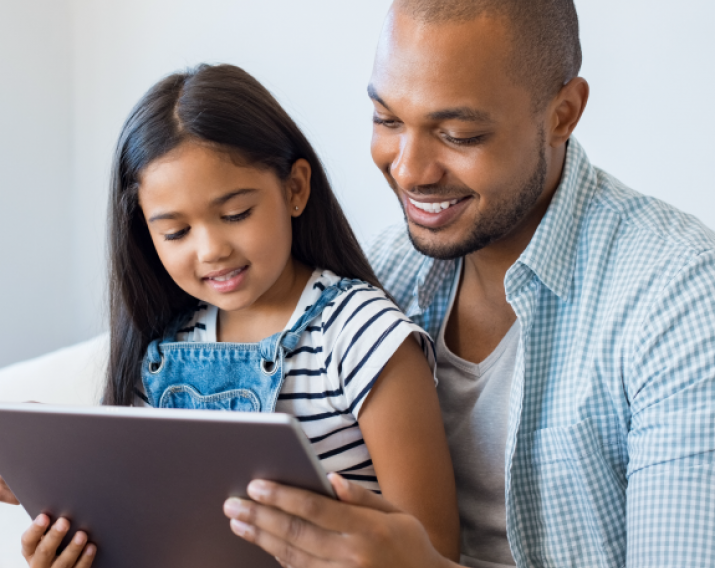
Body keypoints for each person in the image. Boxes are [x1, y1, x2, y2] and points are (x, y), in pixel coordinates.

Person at [221, 1, 715, 567]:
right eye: (387, 120)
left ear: (562, 114)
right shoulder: (378, 278)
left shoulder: (681, 299)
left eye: (458, 134)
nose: (408, 170)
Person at [8, 63, 459, 567]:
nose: (211, 250)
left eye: (235, 214)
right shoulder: (162, 348)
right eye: (176, 232)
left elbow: (433, 550)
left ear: (295, 189)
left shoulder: (361, 335)